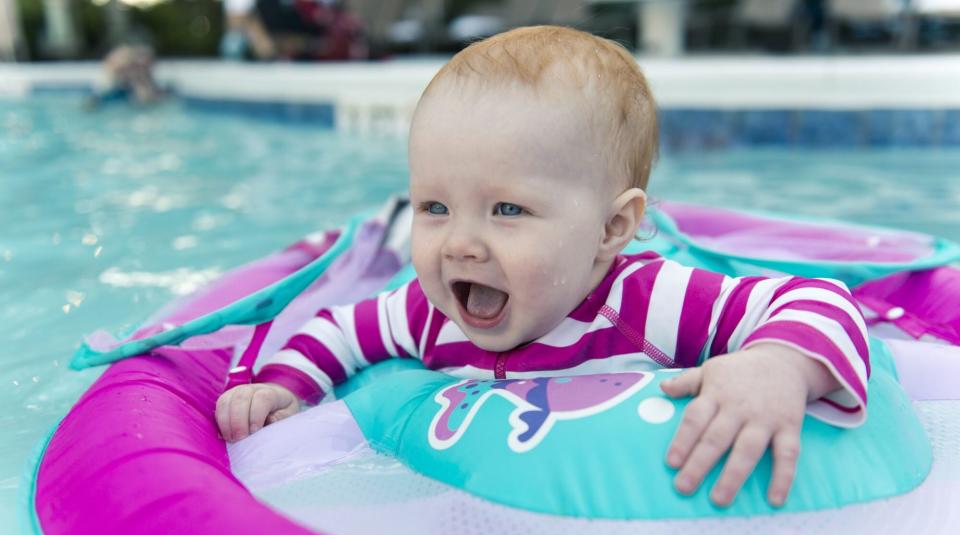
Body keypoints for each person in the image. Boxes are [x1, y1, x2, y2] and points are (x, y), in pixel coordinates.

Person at [216, 26, 870, 509]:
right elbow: (340, 328)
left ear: (611, 228)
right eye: (435, 206)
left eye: (507, 209)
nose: (459, 245)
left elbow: (821, 302)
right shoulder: (430, 312)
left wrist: (777, 365)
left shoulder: (647, 300)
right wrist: (283, 386)